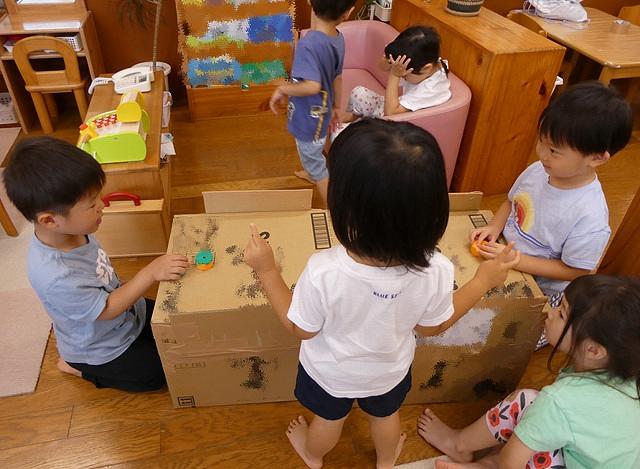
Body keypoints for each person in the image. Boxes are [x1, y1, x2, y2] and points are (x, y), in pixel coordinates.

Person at [244, 119, 520, 469]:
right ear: (434, 211)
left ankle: (313, 455)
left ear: (346, 214)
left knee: (328, 420)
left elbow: (302, 329)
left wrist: (267, 270)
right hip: (389, 370)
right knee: (385, 417)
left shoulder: (324, 271)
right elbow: (431, 327)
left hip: (330, 373)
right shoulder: (436, 268)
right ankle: (386, 458)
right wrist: (481, 282)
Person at [3, 137, 189, 392]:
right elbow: (105, 311)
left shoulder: (74, 229)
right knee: (157, 374)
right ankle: (76, 366)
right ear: (49, 220)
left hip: (123, 311)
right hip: (101, 344)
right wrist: (149, 273)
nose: (102, 206)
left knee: (177, 323)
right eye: (92, 204)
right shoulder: (56, 276)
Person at [417, 274, 640, 469]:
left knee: (525, 402)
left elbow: (510, 464)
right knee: (534, 416)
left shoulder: (559, 401)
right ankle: (481, 459)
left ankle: (461, 446)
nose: (550, 312)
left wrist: (501, 460)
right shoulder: (628, 379)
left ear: (593, 349)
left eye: (561, 313)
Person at [469, 81, 632, 346]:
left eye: (554, 150)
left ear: (596, 158)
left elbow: (575, 272)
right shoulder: (539, 171)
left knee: (506, 341)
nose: (542, 154)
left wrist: (516, 261)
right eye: (541, 142)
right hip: (507, 258)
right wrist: (494, 228)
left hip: (543, 290)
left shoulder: (589, 216)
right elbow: (512, 203)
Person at [269, 0, 357, 205]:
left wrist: (282, 88)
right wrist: (336, 106)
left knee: (313, 159)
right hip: (323, 111)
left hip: (309, 118)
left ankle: (332, 208)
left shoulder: (309, 44)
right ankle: (314, 170)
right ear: (348, 13)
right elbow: (337, 77)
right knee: (314, 151)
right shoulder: (338, 38)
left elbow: (312, 86)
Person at [336, 25, 451, 131]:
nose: (403, 77)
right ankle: (353, 119)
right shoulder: (425, 60)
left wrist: (395, 74)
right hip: (390, 108)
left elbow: (390, 115)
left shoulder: (431, 89)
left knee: (338, 134)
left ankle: (356, 127)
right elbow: (381, 66)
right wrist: (390, 60)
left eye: (404, 75)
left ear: (426, 68)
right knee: (359, 93)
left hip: (395, 124)